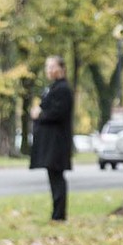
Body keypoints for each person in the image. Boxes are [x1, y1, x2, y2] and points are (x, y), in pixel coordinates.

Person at [29, 56, 74, 221]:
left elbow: (58, 113)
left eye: (52, 66)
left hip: (57, 142)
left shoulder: (63, 89)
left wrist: (40, 115)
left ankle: (59, 215)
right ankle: (56, 213)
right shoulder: (52, 88)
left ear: (61, 68)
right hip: (51, 142)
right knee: (53, 177)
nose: (49, 70)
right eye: (47, 67)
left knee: (57, 177)